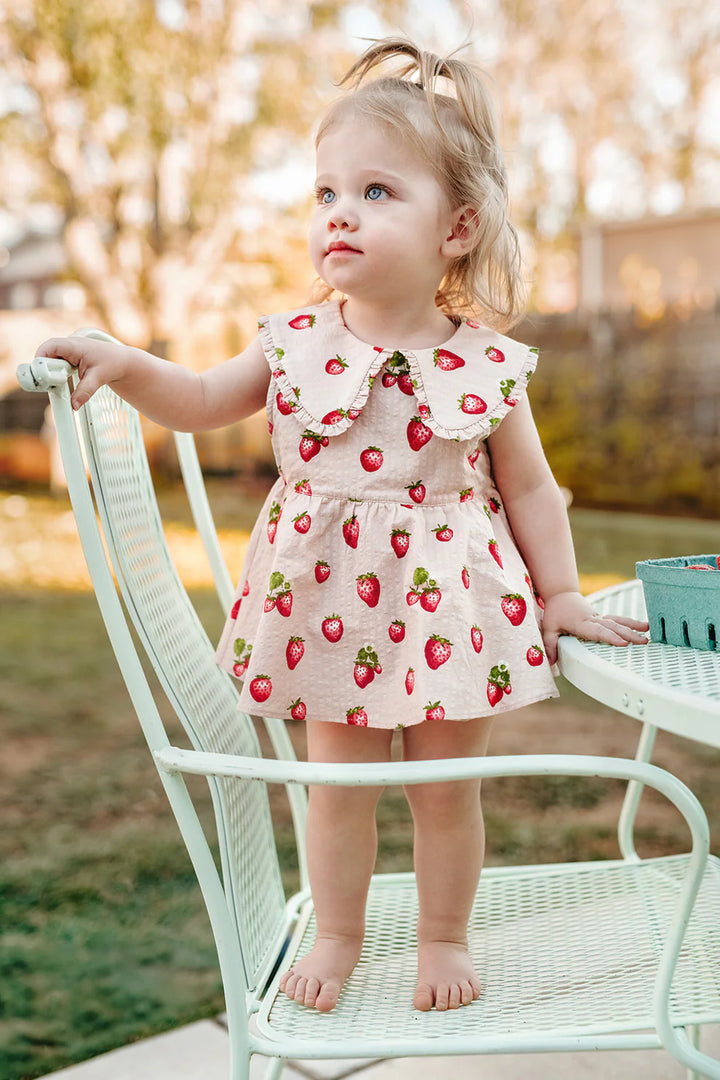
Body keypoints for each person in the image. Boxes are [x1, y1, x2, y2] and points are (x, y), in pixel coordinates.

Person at [34, 37, 648, 1016]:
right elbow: (195, 398)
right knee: (339, 790)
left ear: (456, 227)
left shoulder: (488, 366)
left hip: (456, 608)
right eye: (326, 194)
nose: (339, 216)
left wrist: (562, 593)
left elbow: (531, 491)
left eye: (374, 193)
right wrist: (129, 361)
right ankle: (338, 931)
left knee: (448, 790)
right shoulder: (292, 343)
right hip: (327, 609)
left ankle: (443, 935)